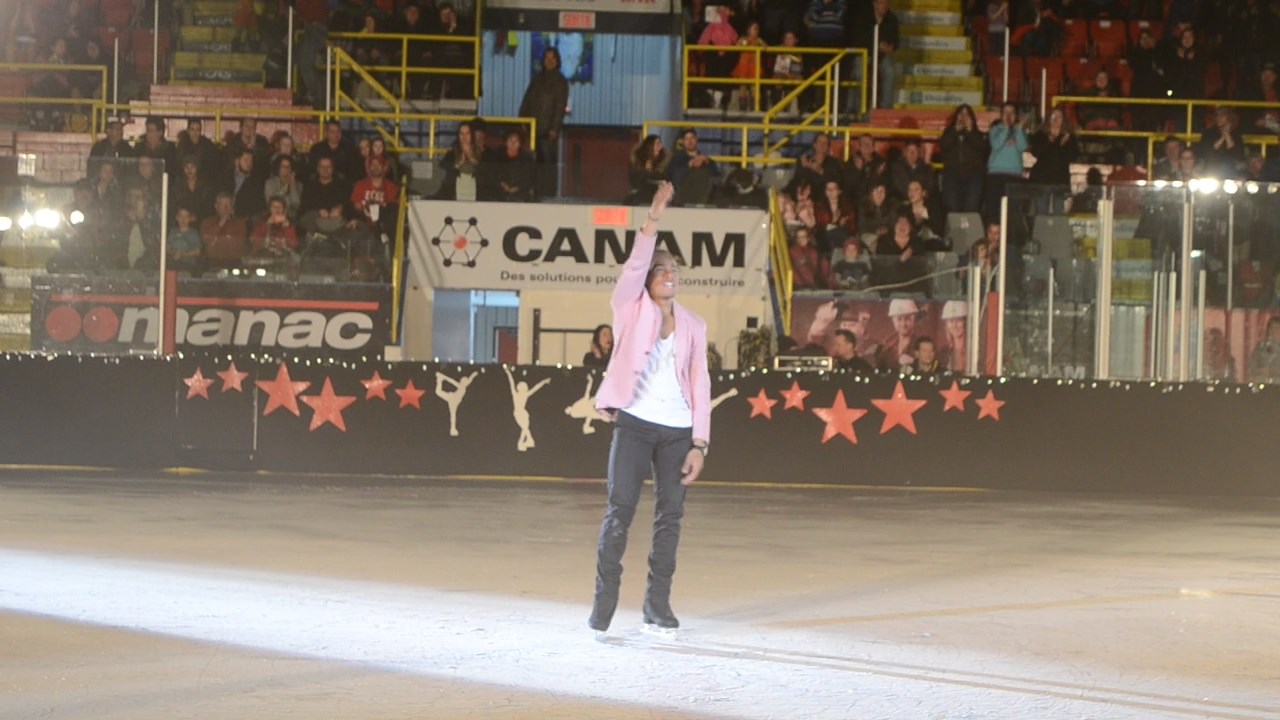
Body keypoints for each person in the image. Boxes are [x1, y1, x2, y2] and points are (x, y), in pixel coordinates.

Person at [590, 180, 710, 637]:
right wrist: (654, 219)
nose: (669, 273)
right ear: (646, 278)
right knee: (620, 510)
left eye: (673, 268)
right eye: (661, 268)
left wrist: (700, 443)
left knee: (670, 516)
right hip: (636, 425)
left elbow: (701, 383)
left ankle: (657, 605)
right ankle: (604, 602)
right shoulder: (629, 308)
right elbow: (638, 259)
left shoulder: (695, 325)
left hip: (678, 433)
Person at [519, 46, 570, 199]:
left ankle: (548, 194)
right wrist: (522, 118)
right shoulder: (537, 79)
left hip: (548, 131)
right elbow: (527, 100)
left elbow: (560, 106)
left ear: (557, 61)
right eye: (546, 58)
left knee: (547, 164)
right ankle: (534, 192)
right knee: (532, 163)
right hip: (532, 128)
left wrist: (554, 128)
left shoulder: (561, 81)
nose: (549, 61)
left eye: (552, 58)